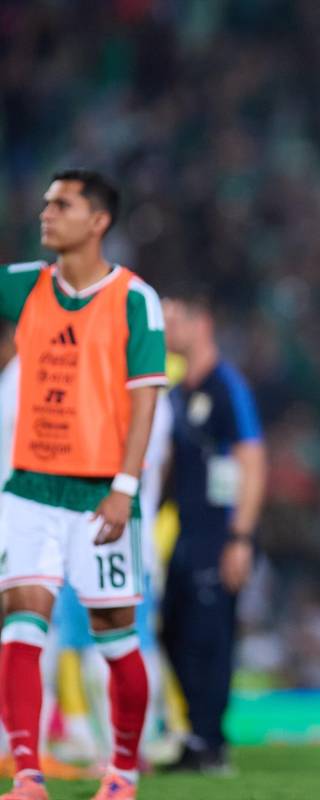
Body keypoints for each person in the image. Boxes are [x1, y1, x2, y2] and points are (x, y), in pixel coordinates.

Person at [0, 169, 166, 800]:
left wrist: (124, 485)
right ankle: (28, 775)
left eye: (61, 204)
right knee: (22, 622)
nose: (46, 214)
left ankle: (122, 771)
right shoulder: (23, 287)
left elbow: (145, 398)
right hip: (31, 489)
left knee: (116, 636)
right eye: (45, 203)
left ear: (97, 221)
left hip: (100, 494)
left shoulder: (133, 298)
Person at [160, 289, 266, 773]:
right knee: (172, 631)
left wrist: (240, 538)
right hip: (187, 531)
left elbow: (252, 459)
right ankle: (198, 734)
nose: (166, 332)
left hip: (221, 535)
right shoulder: (181, 391)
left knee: (211, 637)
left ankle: (210, 742)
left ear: (201, 323)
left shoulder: (227, 386)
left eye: (173, 320)